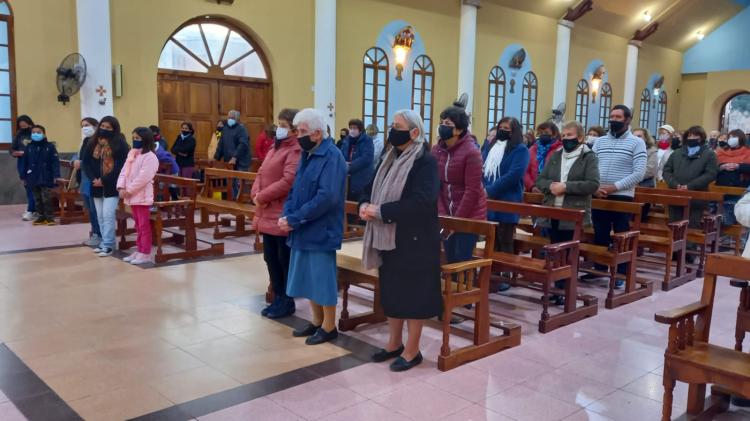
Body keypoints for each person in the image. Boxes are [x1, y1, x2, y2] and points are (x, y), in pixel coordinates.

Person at [360, 109, 441, 371]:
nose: (392, 130)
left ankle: (412, 350)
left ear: (414, 132)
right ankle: (393, 343)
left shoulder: (424, 162)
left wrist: (382, 212)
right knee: (392, 293)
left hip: (415, 240)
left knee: (413, 297)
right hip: (389, 239)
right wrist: (364, 204)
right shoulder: (389, 157)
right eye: (391, 124)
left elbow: (422, 201)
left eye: (398, 126)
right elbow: (369, 187)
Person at [280, 108, 346, 345]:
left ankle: (330, 326)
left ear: (318, 133)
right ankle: (317, 321)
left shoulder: (332, 156)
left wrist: (296, 217)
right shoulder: (307, 155)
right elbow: (296, 189)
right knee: (307, 277)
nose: (298, 135)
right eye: (297, 131)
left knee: (322, 278)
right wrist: (287, 215)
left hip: (321, 228)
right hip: (302, 226)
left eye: (302, 131)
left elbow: (327, 197)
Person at [536, 121, 599, 305]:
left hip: (573, 213)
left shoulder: (589, 157)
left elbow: (593, 184)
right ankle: (556, 289)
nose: (565, 139)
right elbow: (541, 179)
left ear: (580, 138)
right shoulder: (556, 155)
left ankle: (567, 291)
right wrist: (550, 186)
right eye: (563, 135)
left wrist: (566, 187)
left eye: (569, 135)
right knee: (555, 253)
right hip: (553, 211)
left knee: (569, 254)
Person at [252, 109, 301, 319]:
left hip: (281, 210)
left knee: (283, 258)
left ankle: (287, 300)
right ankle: (278, 296)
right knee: (270, 256)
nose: (279, 128)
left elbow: (289, 180)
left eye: (283, 124)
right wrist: (255, 192)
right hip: (267, 210)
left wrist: (262, 196)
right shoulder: (275, 146)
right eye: (278, 123)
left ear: (294, 129)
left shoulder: (295, 149)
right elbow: (261, 172)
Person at [591, 105, 647, 285]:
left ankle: (621, 274)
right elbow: (591, 166)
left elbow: (639, 173)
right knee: (600, 233)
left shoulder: (637, 143)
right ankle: (599, 268)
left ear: (628, 120)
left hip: (622, 196)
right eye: (612, 116)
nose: (613, 120)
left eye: (618, 117)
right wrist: (596, 187)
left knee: (621, 235)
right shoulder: (599, 142)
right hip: (599, 195)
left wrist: (614, 187)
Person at [433, 96, 487, 265]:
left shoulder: (472, 152)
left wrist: (456, 221)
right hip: (447, 211)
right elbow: (436, 185)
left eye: (448, 124)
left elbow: (472, 190)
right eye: (442, 122)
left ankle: (463, 291)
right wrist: (443, 214)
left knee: (461, 258)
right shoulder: (437, 150)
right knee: (449, 257)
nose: (442, 126)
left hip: (468, 214)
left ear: (459, 129)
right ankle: (451, 291)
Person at [482, 116, 530, 290]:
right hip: (488, 200)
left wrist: (490, 190)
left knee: (505, 239)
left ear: (514, 131)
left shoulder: (520, 150)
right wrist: (483, 188)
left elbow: (514, 175)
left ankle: (506, 277)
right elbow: (483, 169)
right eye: (500, 126)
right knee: (491, 240)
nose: (503, 130)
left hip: (507, 200)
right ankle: (492, 275)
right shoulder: (491, 147)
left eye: (507, 128)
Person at [662, 126, 719, 261]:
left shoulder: (709, 154)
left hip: (696, 195)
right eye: (690, 136)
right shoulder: (677, 153)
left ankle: (688, 253)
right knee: (674, 221)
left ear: (702, 138)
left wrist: (690, 186)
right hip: (676, 193)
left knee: (692, 224)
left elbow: (711, 173)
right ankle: (674, 251)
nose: (692, 138)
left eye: (696, 136)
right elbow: (667, 170)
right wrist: (675, 184)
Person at [83, 116, 130, 257]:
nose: (104, 129)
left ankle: (109, 245)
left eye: (108, 128)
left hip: (111, 185)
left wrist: (104, 180)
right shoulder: (91, 142)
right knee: (100, 216)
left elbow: (121, 166)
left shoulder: (120, 144)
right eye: (103, 126)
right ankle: (104, 242)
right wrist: (94, 179)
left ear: (114, 129)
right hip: (95, 184)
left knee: (108, 215)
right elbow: (86, 163)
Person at [117, 127, 159, 265]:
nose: (135, 141)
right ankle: (139, 249)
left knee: (143, 225)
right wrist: (121, 187)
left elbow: (143, 178)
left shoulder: (150, 157)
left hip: (142, 197)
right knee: (137, 225)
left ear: (145, 140)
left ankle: (145, 252)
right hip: (131, 195)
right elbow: (124, 171)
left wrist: (128, 190)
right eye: (133, 138)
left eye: (138, 138)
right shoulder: (133, 154)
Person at [20, 125, 60, 226]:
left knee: (46, 197)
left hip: (46, 176)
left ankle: (49, 217)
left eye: (38, 132)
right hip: (32, 176)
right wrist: (23, 176)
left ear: (44, 134)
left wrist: (56, 175)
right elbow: (24, 162)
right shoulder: (29, 147)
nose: (35, 134)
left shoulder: (50, 146)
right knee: (37, 198)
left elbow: (55, 162)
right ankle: (40, 217)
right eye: (33, 132)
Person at [714, 130, 750, 227]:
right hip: (720, 188)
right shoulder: (721, 152)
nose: (731, 139)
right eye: (729, 137)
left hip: (737, 190)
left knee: (726, 217)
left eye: (734, 137)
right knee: (714, 216)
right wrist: (722, 167)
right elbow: (712, 168)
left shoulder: (748, 152)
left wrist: (738, 166)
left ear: (741, 139)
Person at [75, 117, 102, 245]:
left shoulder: (100, 141)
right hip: (84, 180)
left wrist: (81, 162)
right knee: (90, 209)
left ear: (95, 126)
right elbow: (79, 155)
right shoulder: (85, 141)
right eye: (82, 126)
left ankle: (100, 235)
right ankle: (95, 233)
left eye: (87, 125)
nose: (84, 128)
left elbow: (95, 160)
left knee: (95, 209)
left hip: (94, 179)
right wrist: (74, 160)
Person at [214, 110, 251, 198]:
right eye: (229, 117)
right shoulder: (225, 128)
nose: (230, 119)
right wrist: (216, 158)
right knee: (231, 184)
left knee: (239, 184)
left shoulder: (242, 129)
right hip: (229, 162)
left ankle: (241, 204)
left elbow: (243, 144)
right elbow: (221, 144)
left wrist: (235, 157)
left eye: (232, 118)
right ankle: (233, 203)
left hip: (241, 161)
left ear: (238, 119)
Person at [340, 119, 374, 201]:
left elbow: (366, 158)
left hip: (362, 179)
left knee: (359, 205)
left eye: (354, 128)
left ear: (360, 129)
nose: (352, 130)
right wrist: (342, 163)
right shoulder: (346, 140)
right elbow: (341, 155)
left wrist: (350, 166)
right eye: (350, 128)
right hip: (347, 181)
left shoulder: (367, 140)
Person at [11, 115, 36, 221]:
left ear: (29, 122)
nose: (23, 126)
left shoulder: (36, 133)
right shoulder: (19, 134)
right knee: (27, 186)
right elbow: (12, 149)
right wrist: (14, 153)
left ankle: (31, 210)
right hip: (22, 164)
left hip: (34, 164)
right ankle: (32, 208)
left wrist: (25, 152)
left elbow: (41, 148)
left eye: (24, 124)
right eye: (21, 125)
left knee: (32, 187)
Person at [526, 121, 562, 192]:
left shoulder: (560, 149)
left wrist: (550, 186)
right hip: (533, 191)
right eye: (541, 133)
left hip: (552, 191)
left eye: (546, 133)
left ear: (554, 134)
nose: (543, 135)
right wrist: (532, 186)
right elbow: (525, 171)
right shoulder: (532, 149)